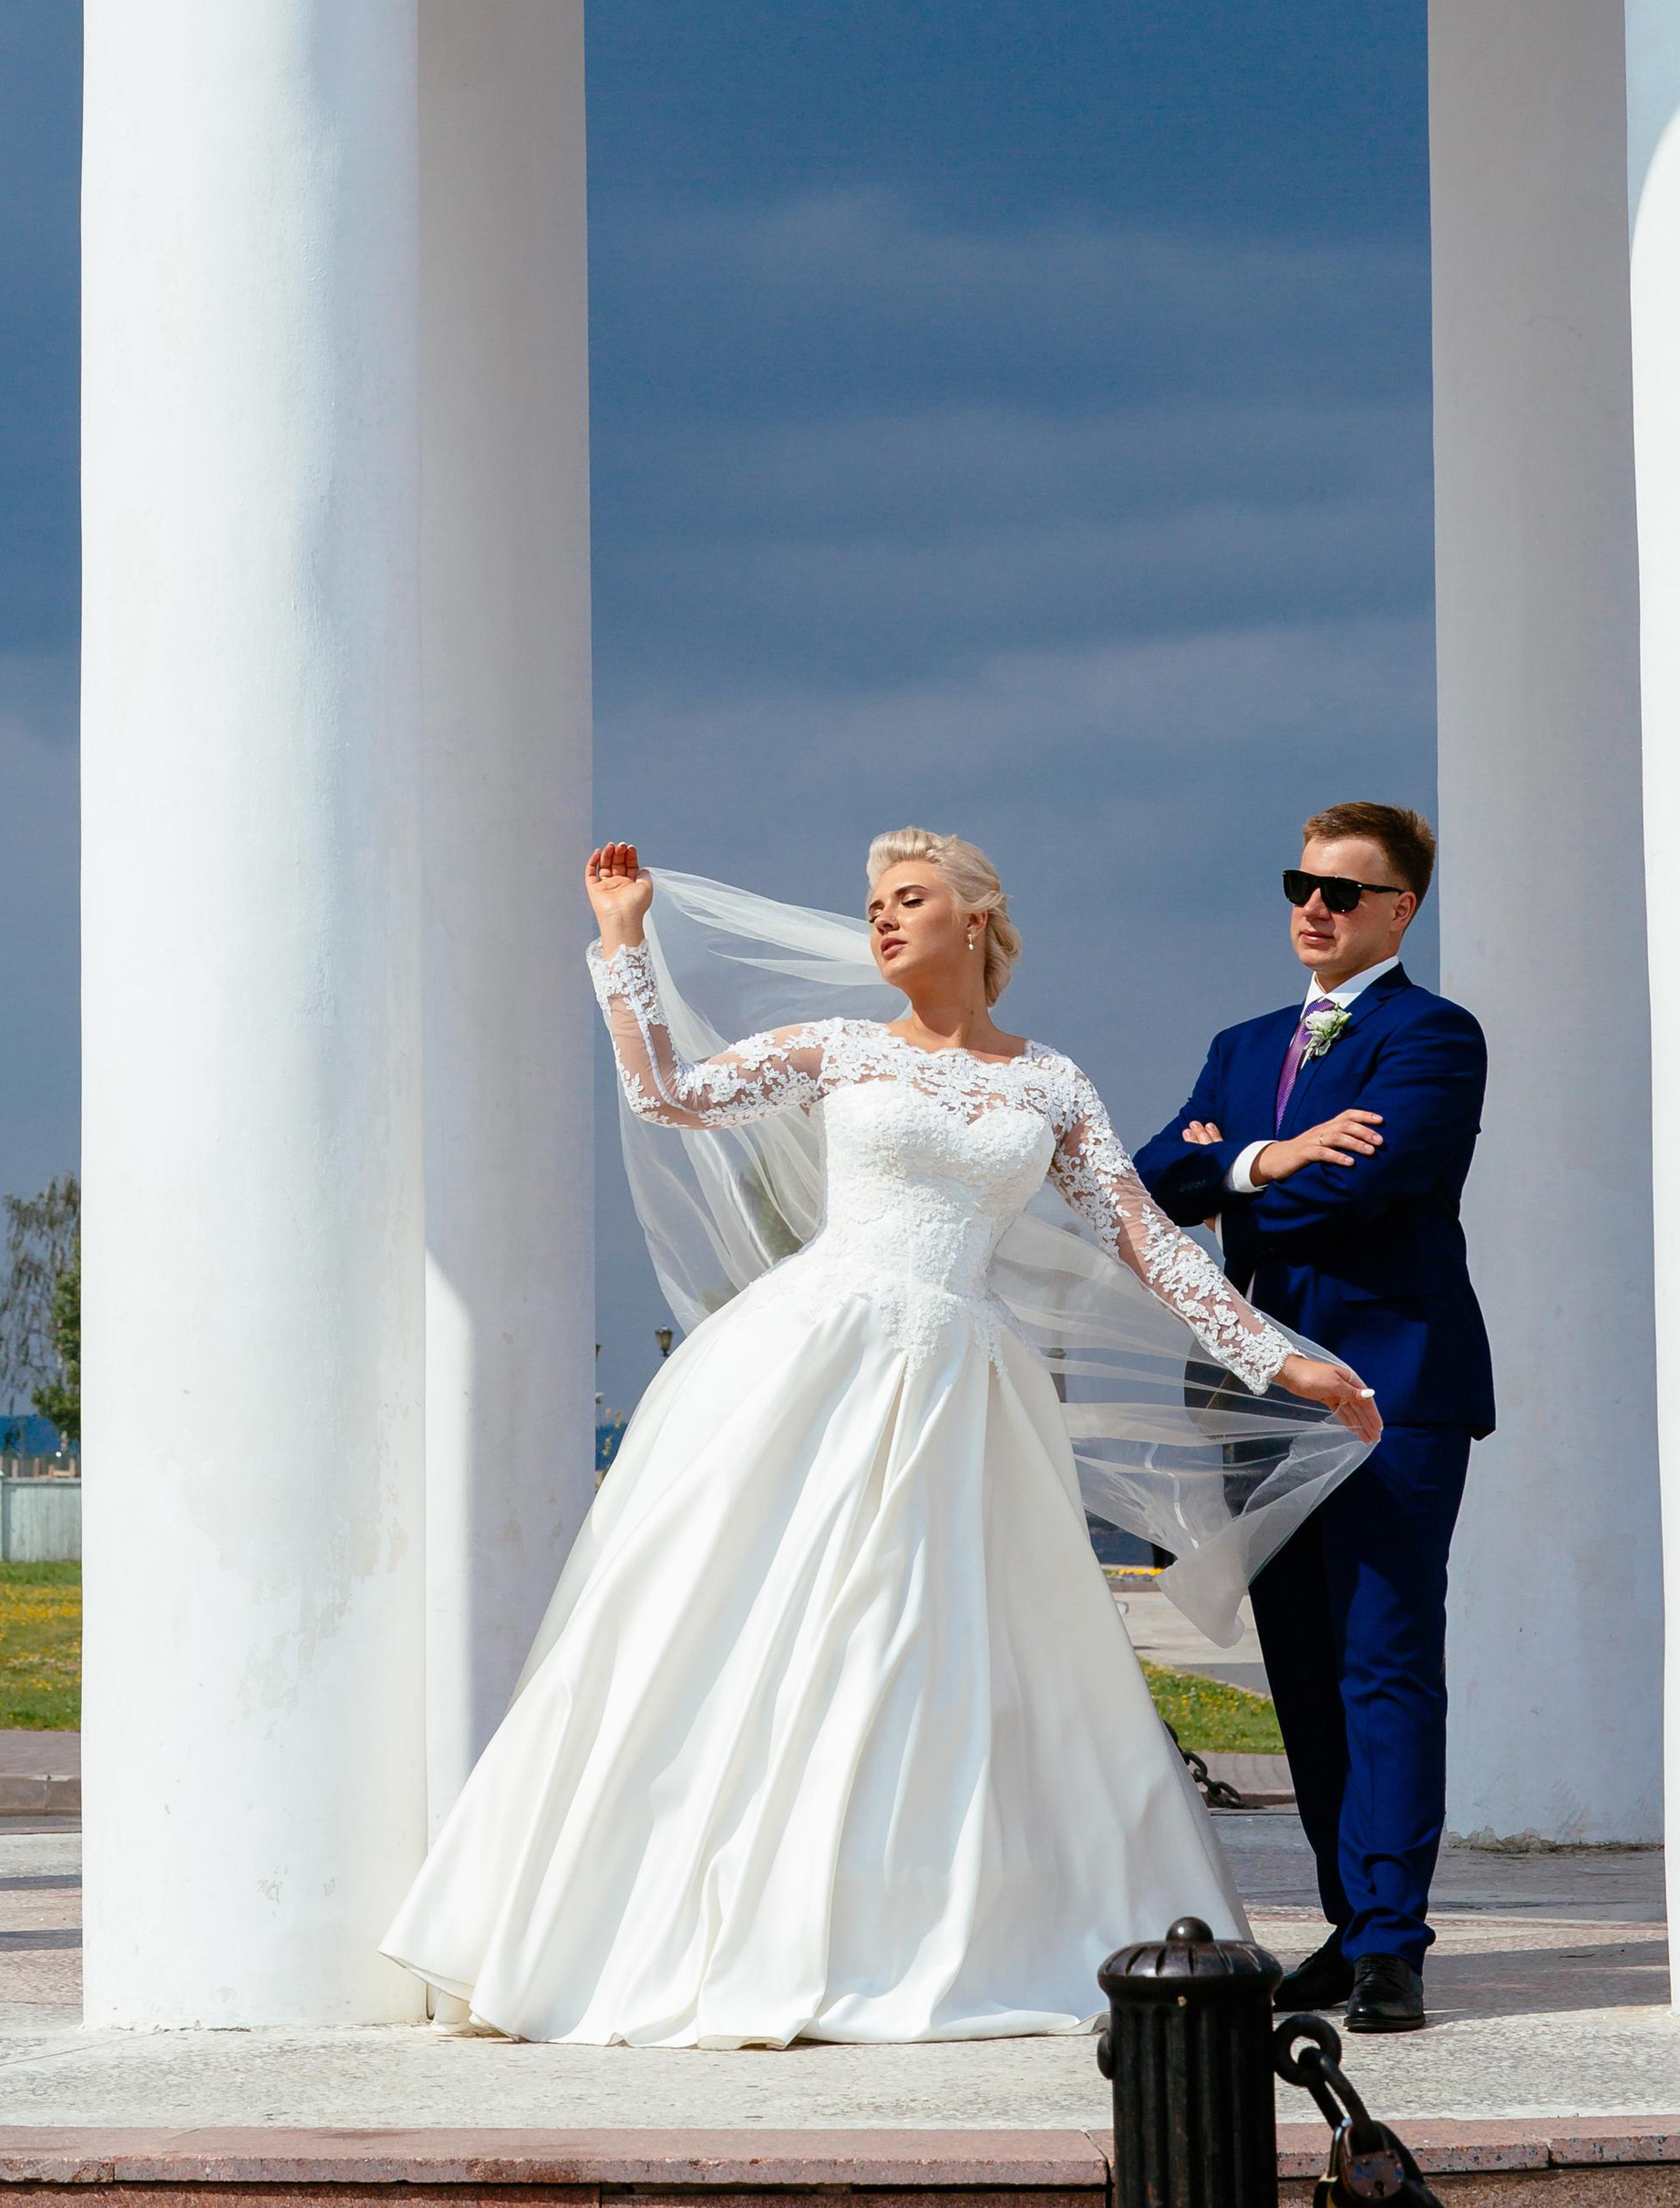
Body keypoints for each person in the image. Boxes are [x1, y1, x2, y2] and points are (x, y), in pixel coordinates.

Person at [382, 826, 1376, 2047]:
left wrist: (1282, 1357)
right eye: (871, 909)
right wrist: (621, 943)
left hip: (968, 1386)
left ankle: (925, 1933)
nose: (884, 922)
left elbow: (1152, 1246)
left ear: (976, 919)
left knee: (938, 1652)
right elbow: (669, 1096)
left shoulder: (1051, 1085)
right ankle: (692, 1926)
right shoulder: (842, 1052)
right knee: (742, 1627)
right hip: (815, 1360)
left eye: (909, 899)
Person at [1133, 801, 1489, 2035]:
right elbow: (1151, 1182)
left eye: (1344, 890)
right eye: (1300, 884)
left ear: (1398, 909)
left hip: (1395, 1386)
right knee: (1298, 1665)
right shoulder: (1240, 1045)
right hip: (1254, 1392)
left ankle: (1393, 1939)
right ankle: (1346, 1921)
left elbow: (1380, 1180)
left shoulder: (1435, 1036)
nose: (1314, 907)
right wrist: (1267, 1159)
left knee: (1382, 1658)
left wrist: (1240, 1163)